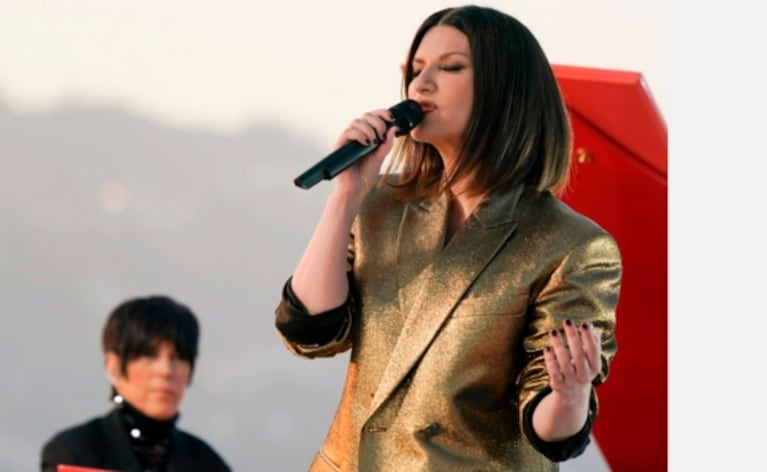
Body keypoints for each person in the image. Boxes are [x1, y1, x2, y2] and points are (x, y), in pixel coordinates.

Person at [274, 4, 622, 471]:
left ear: (505, 88)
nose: (421, 84)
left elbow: (550, 431)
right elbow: (311, 332)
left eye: (451, 67)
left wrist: (571, 395)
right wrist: (346, 197)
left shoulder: (572, 246)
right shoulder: (380, 204)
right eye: (417, 70)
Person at [41, 295, 231, 472]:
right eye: (149, 355)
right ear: (113, 366)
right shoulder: (74, 452)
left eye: (178, 357)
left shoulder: (208, 464)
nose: (165, 371)